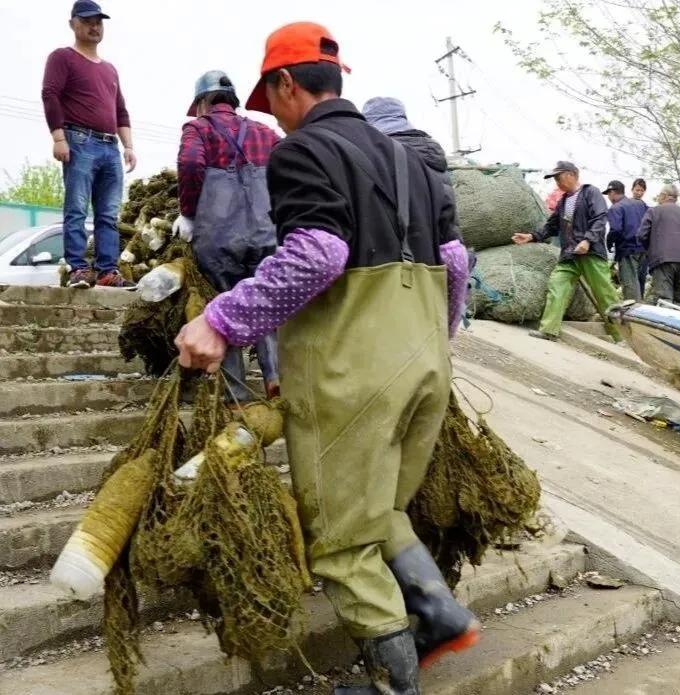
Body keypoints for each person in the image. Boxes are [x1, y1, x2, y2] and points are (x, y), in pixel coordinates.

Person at [174, 22, 474, 694]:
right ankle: (438, 612)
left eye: (268, 96)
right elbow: (455, 258)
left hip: (353, 372)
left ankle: (395, 682)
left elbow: (317, 254)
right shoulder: (411, 158)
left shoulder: (303, 151)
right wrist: (432, 335)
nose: (270, 114)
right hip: (426, 363)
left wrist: (221, 320)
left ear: (286, 84)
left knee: (339, 538)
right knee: (380, 510)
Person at [174, 70, 282, 401]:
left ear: (203, 103)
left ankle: (237, 393)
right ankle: (275, 377)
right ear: (232, 101)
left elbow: (191, 163)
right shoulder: (266, 132)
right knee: (265, 300)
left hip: (219, 238)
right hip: (265, 233)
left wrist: (188, 212)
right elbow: (288, 169)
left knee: (225, 303)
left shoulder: (199, 129)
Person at [41, 0, 136, 289]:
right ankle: (78, 270)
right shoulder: (62, 57)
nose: (94, 26)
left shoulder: (110, 70)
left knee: (109, 214)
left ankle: (107, 271)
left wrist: (128, 146)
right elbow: (50, 94)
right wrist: (59, 137)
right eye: (87, 21)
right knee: (77, 209)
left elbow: (120, 109)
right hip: (78, 141)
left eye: (98, 21)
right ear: (73, 24)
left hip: (110, 148)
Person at [512, 161, 621, 342]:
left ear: (571, 175)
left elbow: (600, 218)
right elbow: (552, 226)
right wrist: (532, 236)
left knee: (605, 293)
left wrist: (587, 240)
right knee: (557, 285)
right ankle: (549, 330)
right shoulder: (563, 201)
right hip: (570, 254)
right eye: (555, 179)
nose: (557, 182)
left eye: (558, 177)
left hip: (590, 252)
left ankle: (621, 335)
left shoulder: (590, 192)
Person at [361, 96, 459, 243]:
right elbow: (449, 222)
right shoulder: (432, 153)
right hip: (439, 255)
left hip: (393, 260)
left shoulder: (372, 158)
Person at [637, 184, 680, 304]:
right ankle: (678, 322)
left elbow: (641, 235)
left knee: (664, 301)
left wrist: (651, 250)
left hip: (663, 260)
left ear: (664, 196)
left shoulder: (653, 211)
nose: (658, 198)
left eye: (659, 196)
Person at [603, 180, 648, 302]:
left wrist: (609, 241)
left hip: (628, 250)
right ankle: (643, 313)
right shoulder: (641, 204)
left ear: (613, 192)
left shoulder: (615, 207)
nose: (608, 197)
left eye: (608, 193)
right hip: (644, 250)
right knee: (640, 284)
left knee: (630, 286)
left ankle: (634, 318)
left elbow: (616, 229)